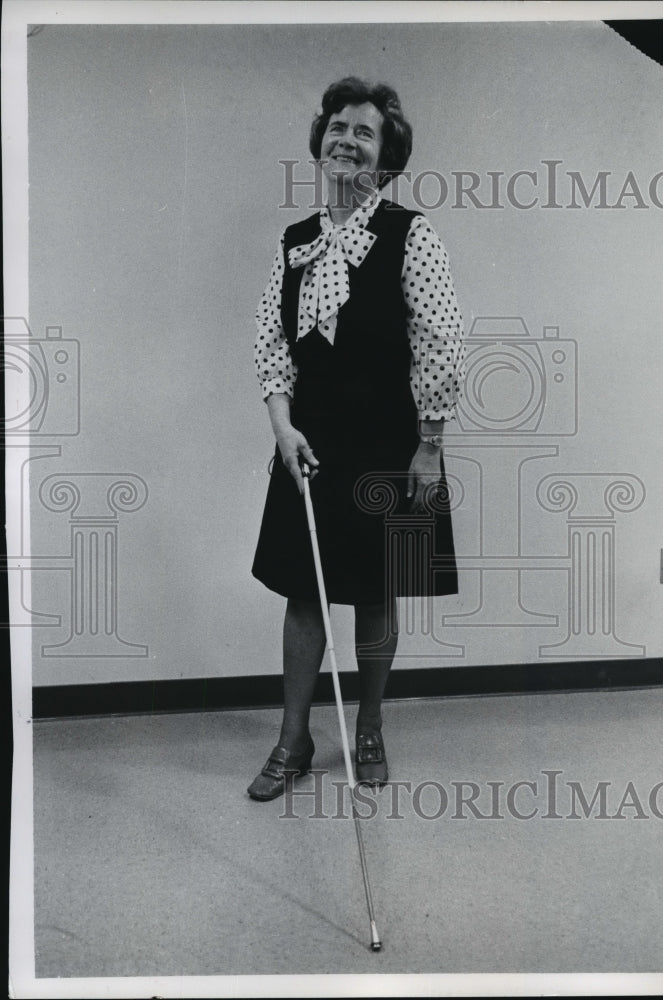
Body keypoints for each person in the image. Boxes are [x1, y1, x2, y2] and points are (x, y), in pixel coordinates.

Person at [248, 77, 464, 801]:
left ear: (386, 155)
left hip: (391, 443)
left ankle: (367, 727)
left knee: (376, 593)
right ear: (320, 141)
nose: (345, 139)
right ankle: (293, 739)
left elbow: (440, 342)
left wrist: (429, 446)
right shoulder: (295, 241)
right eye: (336, 127)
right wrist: (282, 424)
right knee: (303, 594)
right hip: (308, 441)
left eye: (362, 132)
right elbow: (271, 341)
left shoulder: (411, 234)